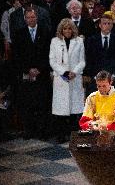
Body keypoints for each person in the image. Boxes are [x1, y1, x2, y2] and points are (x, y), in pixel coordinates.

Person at [13, 8, 51, 139]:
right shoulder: (19, 34)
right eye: (28, 17)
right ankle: (29, 131)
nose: (31, 19)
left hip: (42, 73)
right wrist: (28, 70)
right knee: (28, 104)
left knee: (42, 103)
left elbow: (48, 54)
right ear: (25, 19)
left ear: (37, 17)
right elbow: (17, 56)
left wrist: (39, 69)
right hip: (27, 74)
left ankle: (42, 131)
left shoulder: (45, 32)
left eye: (33, 17)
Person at [49, 18, 85, 143]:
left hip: (75, 77)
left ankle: (73, 134)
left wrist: (74, 72)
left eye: (70, 28)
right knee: (61, 108)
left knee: (75, 108)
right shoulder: (55, 42)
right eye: (65, 28)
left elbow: (82, 61)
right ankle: (61, 134)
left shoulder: (79, 41)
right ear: (61, 30)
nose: (67, 30)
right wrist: (63, 72)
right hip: (61, 79)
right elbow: (52, 61)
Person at [83, 14, 115, 97]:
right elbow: (89, 59)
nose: (107, 26)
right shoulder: (91, 40)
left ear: (112, 25)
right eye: (104, 23)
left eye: (109, 24)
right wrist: (94, 76)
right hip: (95, 79)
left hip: (113, 78)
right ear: (100, 25)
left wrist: (114, 75)